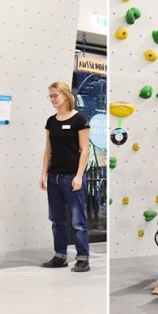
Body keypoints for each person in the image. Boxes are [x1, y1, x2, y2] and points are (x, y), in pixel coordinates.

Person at [39, 81, 90, 272]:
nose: (52, 99)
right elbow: (47, 150)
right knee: (57, 219)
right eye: (50, 96)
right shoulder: (51, 121)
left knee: (78, 221)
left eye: (55, 95)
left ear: (66, 96)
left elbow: (85, 150)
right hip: (54, 177)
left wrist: (79, 176)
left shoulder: (79, 119)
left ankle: (83, 258)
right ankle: (60, 256)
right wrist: (43, 173)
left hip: (71, 177)